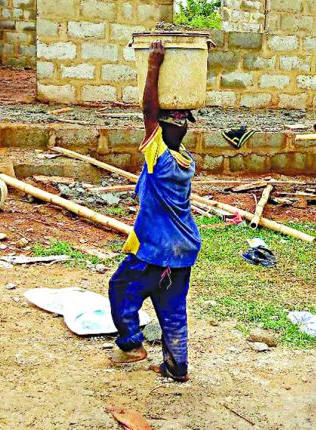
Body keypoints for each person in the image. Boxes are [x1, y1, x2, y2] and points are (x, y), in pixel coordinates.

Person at [107, 41, 201, 382]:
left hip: (155, 250)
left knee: (121, 289)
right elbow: (159, 118)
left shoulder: (159, 157)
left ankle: (131, 345)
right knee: (173, 310)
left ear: (160, 129)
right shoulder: (185, 161)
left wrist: (153, 66)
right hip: (183, 249)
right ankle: (177, 367)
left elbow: (148, 109)